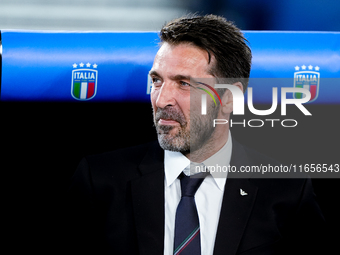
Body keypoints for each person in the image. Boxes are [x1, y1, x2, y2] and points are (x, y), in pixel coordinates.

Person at [68, 14, 327, 255]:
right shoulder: (99, 180)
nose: (161, 99)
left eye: (184, 83)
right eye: (157, 80)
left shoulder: (287, 188)